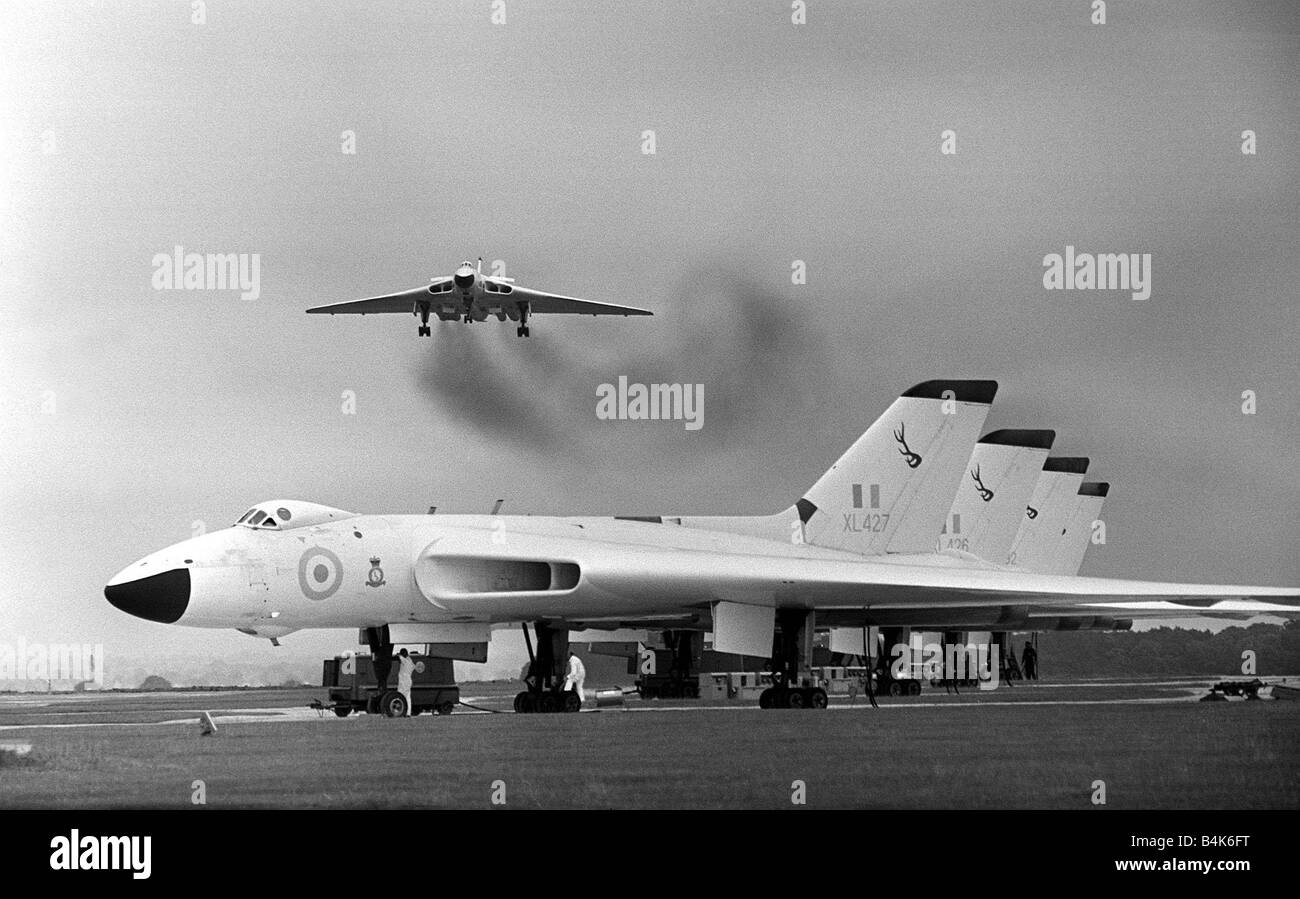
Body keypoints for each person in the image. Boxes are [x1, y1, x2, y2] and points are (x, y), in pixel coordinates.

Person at [396, 648, 417, 716]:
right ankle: (408, 713)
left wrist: (398, 655)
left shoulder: (404, 660)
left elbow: (399, 657)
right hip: (408, 680)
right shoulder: (410, 661)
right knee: (407, 697)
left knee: (400, 696)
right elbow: (414, 666)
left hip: (404, 681)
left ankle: (399, 711)